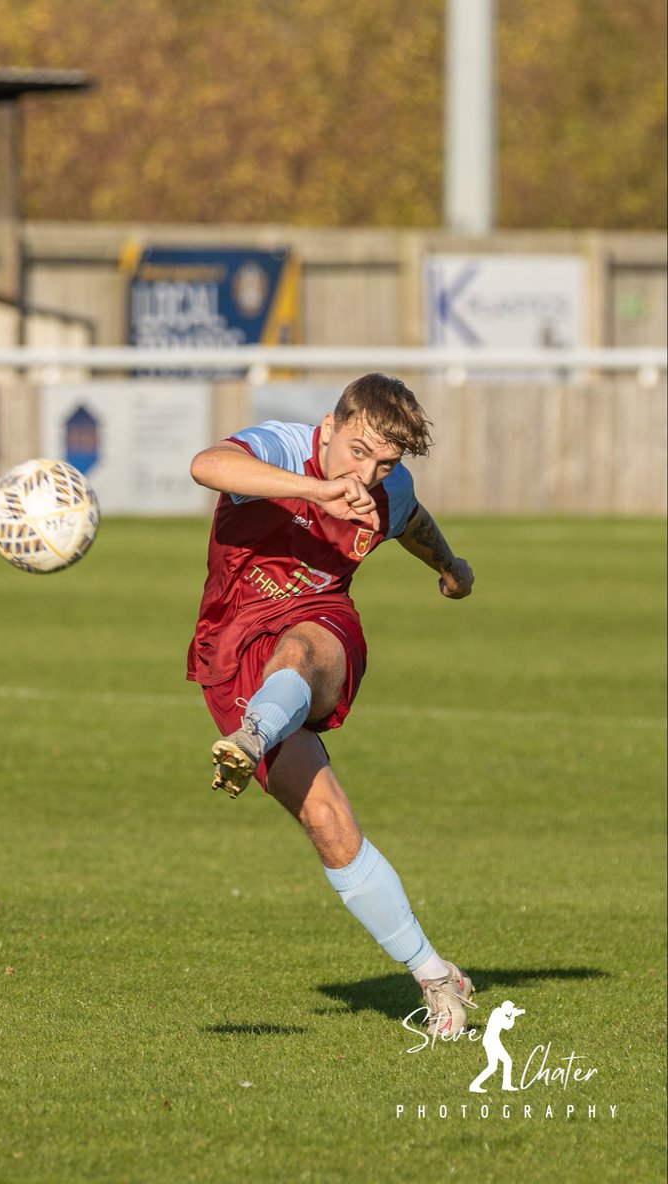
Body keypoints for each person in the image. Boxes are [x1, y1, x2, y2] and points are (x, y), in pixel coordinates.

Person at [187, 372, 478, 1035]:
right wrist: (319, 489)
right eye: (358, 451)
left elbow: (412, 519)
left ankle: (253, 735)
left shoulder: (386, 490)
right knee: (327, 821)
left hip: (321, 622)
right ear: (329, 425)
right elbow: (209, 465)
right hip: (232, 641)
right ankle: (437, 974)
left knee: (303, 647)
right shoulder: (286, 448)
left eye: (385, 463)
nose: (369, 473)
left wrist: (450, 565)